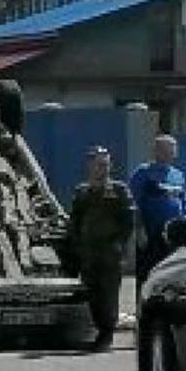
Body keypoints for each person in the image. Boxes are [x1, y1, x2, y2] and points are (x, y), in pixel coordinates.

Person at [69, 146, 134, 351]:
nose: (103, 169)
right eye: (99, 164)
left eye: (106, 164)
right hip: (89, 252)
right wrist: (77, 246)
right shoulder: (82, 192)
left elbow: (128, 220)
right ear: (90, 166)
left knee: (108, 295)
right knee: (92, 294)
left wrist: (120, 244)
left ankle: (106, 335)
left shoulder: (119, 190)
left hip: (109, 252)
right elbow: (75, 221)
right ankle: (98, 330)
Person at [129, 135, 186, 298]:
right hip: (151, 234)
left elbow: (184, 203)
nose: (171, 154)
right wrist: (139, 229)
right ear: (156, 151)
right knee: (148, 274)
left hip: (173, 235)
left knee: (171, 274)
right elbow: (133, 204)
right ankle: (143, 309)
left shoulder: (178, 175)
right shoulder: (143, 173)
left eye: (173, 150)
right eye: (166, 150)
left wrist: (185, 226)